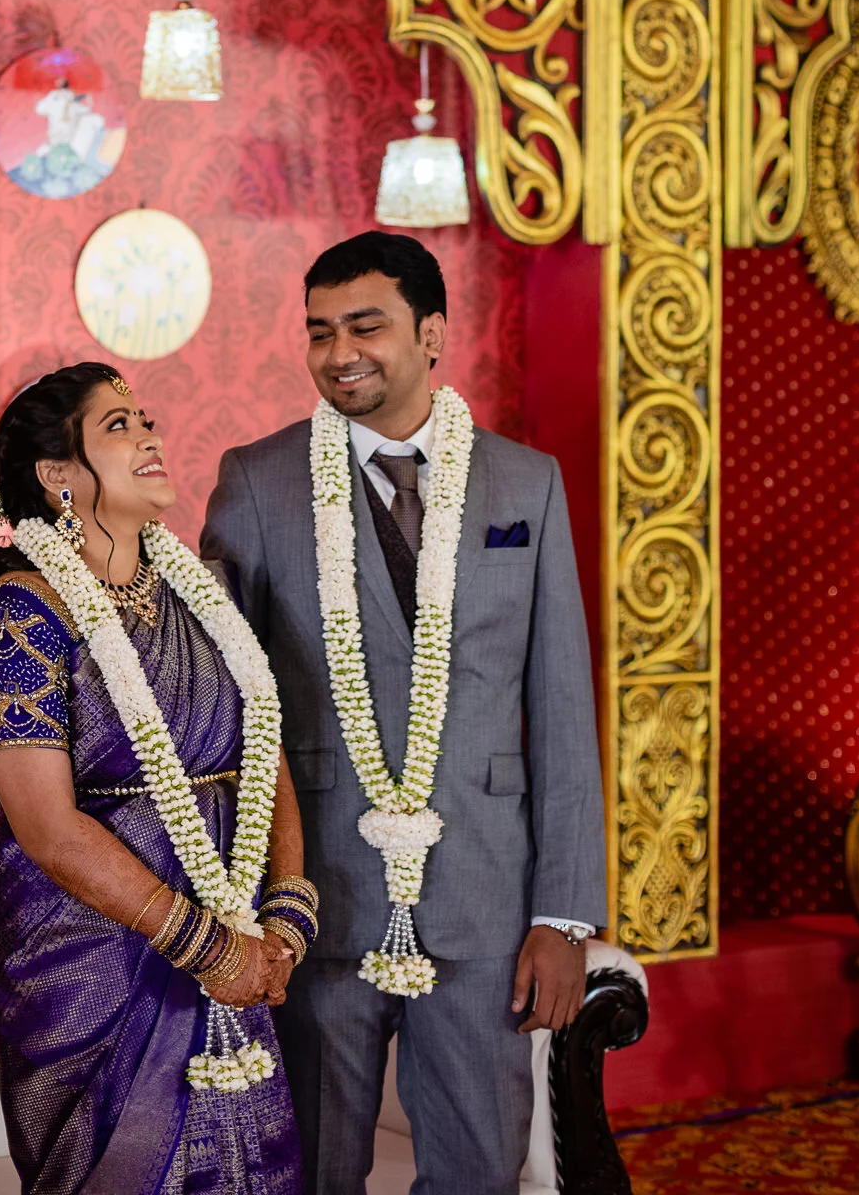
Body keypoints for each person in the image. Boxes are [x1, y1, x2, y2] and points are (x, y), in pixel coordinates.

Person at [200, 233, 605, 1195]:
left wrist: (565, 915)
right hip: (312, 903)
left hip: (484, 902)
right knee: (308, 1173)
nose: (339, 352)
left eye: (365, 326)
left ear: (430, 333)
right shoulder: (256, 481)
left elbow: (558, 705)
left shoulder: (524, 483)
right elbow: (218, 703)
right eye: (319, 332)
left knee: (478, 1171)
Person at [0, 361, 310, 1194]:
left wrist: (287, 912)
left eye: (145, 419)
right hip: (95, 957)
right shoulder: (17, 618)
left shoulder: (201, 596)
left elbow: (265, 747)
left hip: (236, 928)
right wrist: (201, 944)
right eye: (118, 426)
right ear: (57, 475)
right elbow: (46, 827)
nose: (151, 436)